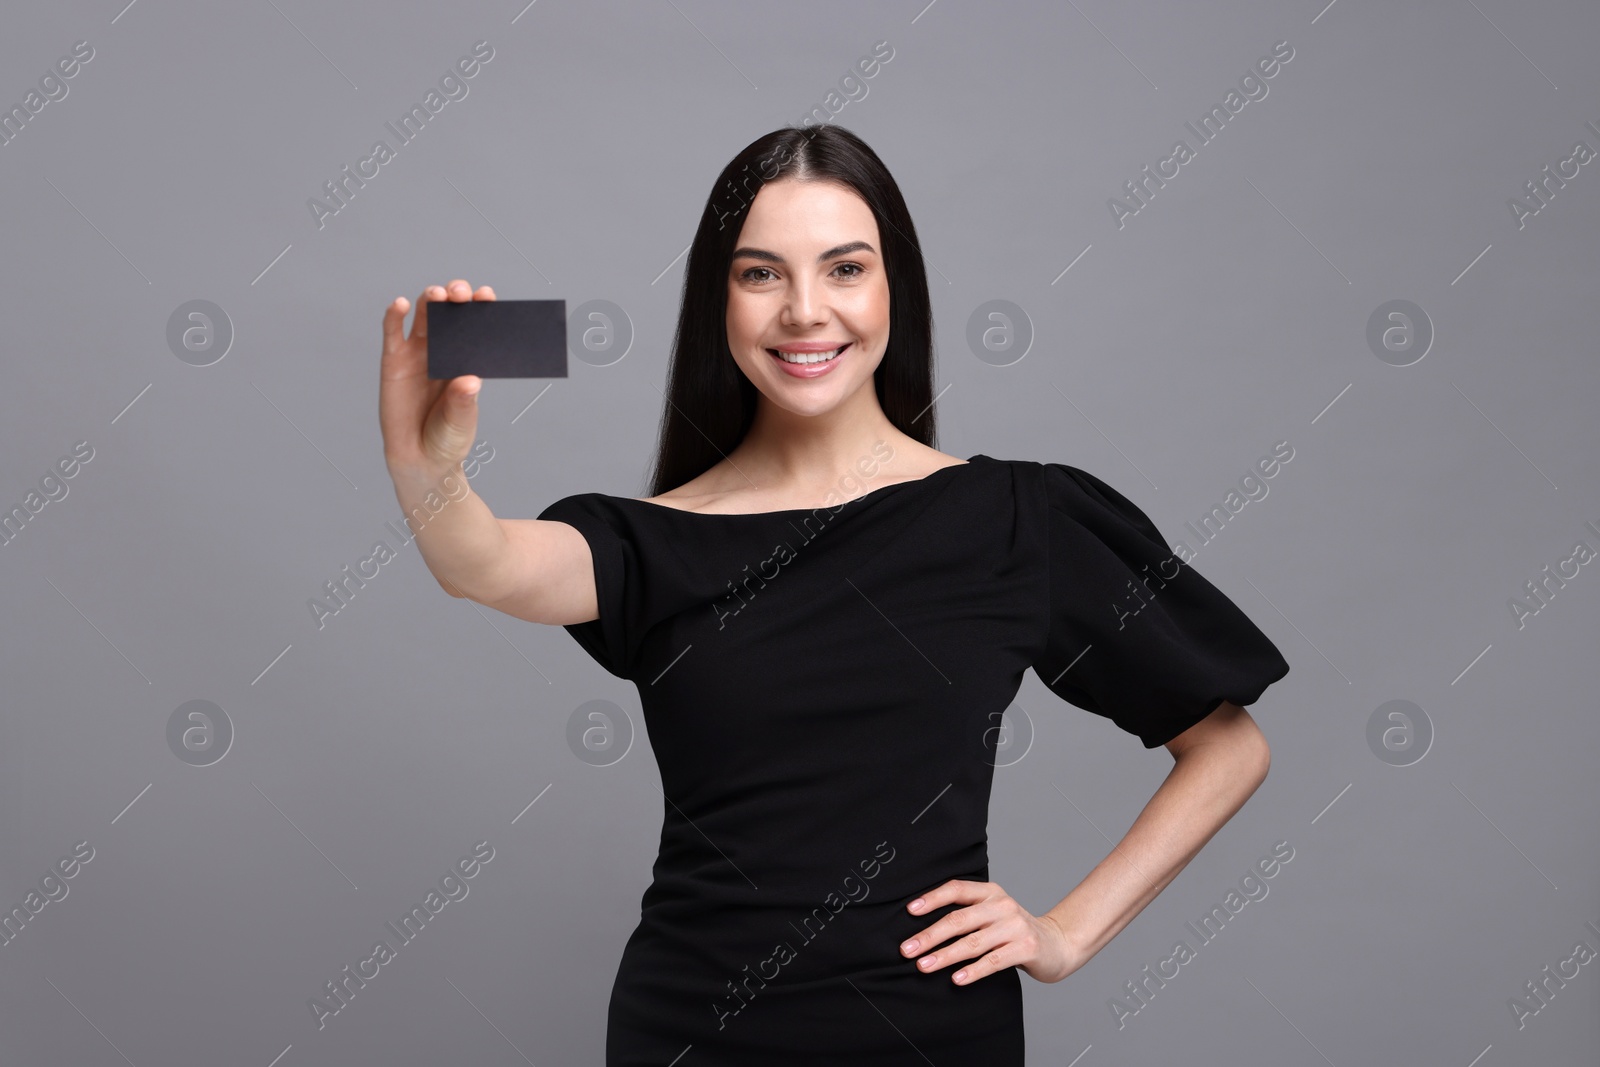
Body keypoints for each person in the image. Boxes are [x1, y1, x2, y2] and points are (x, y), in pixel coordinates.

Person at [378, 124, 1290, 1066]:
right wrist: (425, 464)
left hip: (933, 1035)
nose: (805, 311)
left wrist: (1063, 933)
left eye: (845, 268)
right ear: (716, 302)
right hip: (691, 1030)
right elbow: (479, 563)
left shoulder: (1017, 518)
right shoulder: (649, 540)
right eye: (760, 274)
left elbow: (1226, 744)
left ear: (896, 287)